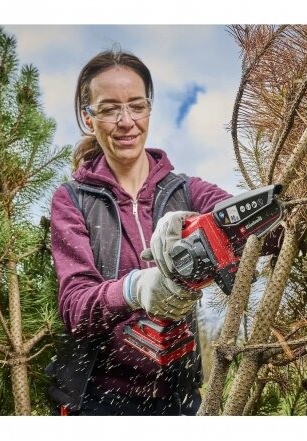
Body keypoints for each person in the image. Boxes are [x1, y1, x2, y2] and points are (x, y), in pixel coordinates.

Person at [45, 48, 232, 416]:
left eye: (137, 105)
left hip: (177, 399)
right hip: (97, 400)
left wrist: (196, 222)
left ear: (149, 109)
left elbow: (262, 230)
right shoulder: (73, 200)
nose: (126, 120)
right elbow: (75, 306)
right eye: (110, 108)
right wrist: (135, 289)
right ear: (88, 118)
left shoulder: (188, 190)